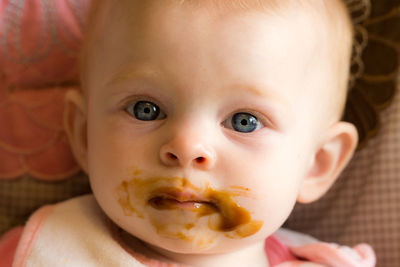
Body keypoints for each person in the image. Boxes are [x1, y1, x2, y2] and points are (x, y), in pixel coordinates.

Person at [8, 0, 376, 266]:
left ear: (317, 163)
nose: (186, 146)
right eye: (145, 110)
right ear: (85, 135)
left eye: (244, 120)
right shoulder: (44, 250)